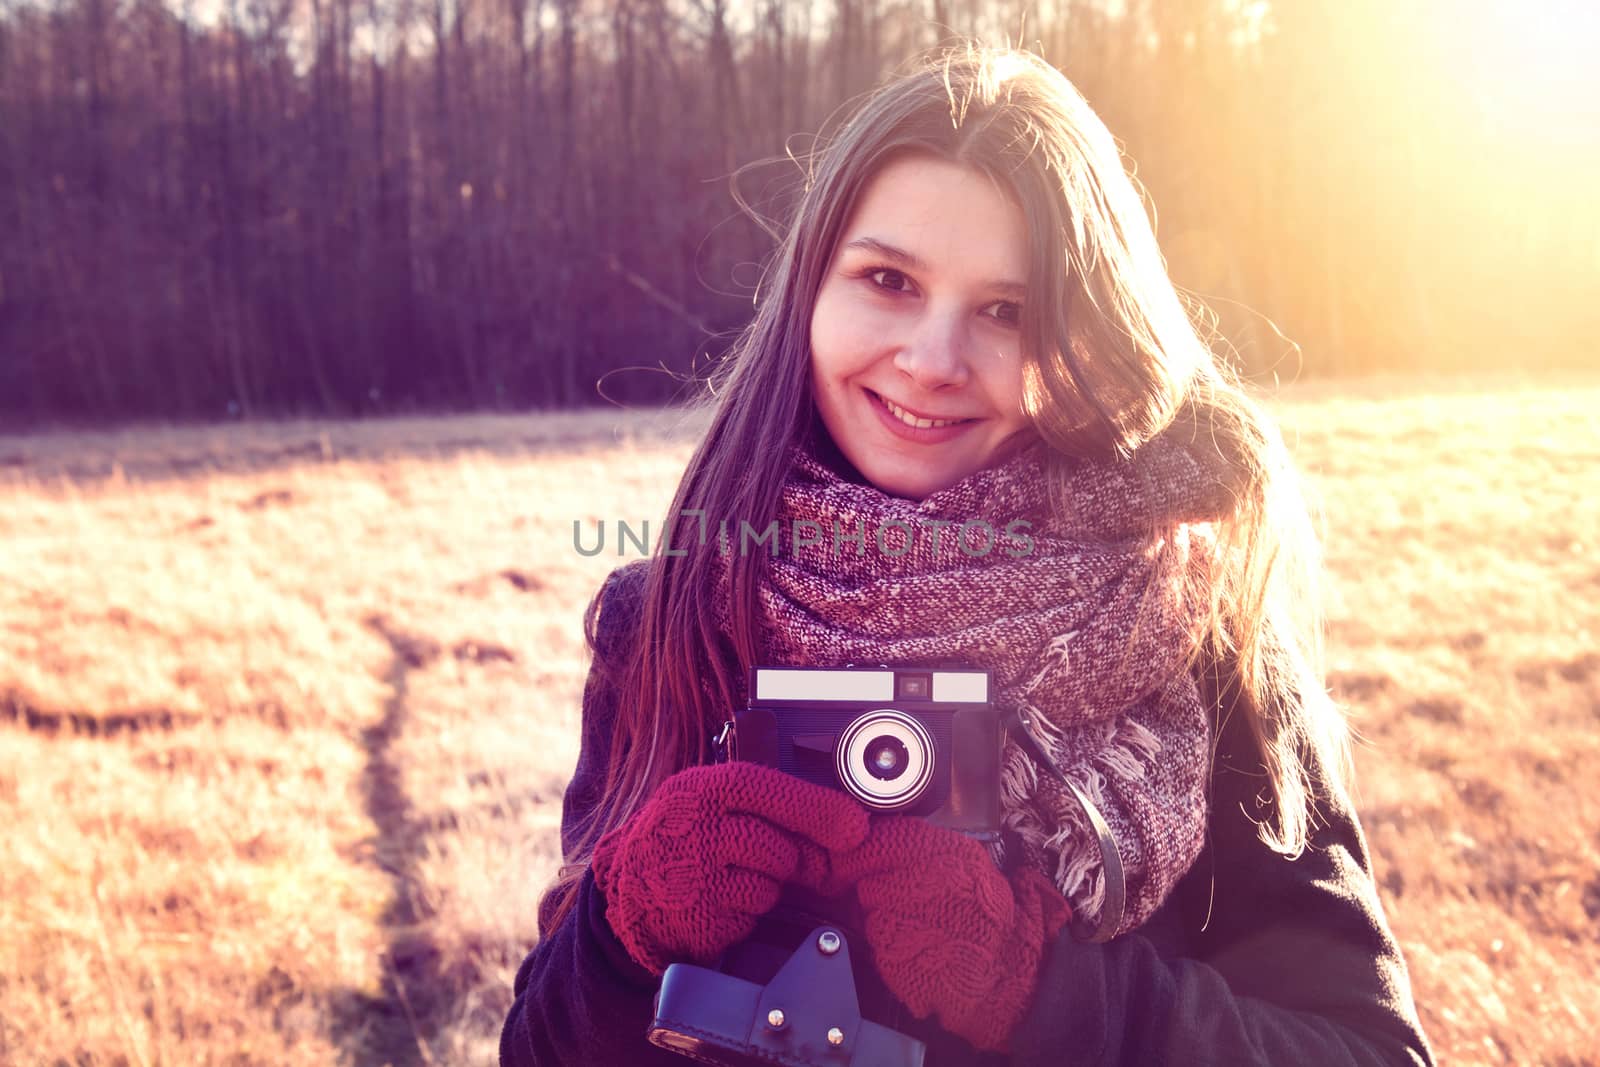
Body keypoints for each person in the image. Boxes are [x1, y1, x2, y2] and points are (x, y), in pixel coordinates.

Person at [500, 42, 1434, 1067]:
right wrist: (619, 939)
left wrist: (1059, 997)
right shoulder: (670, 626)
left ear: (1087, 340)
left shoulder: (1198, 640)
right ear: (809, 293)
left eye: (1007, 310)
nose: (933, 359)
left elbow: (1370, 1051)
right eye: (887, 279)